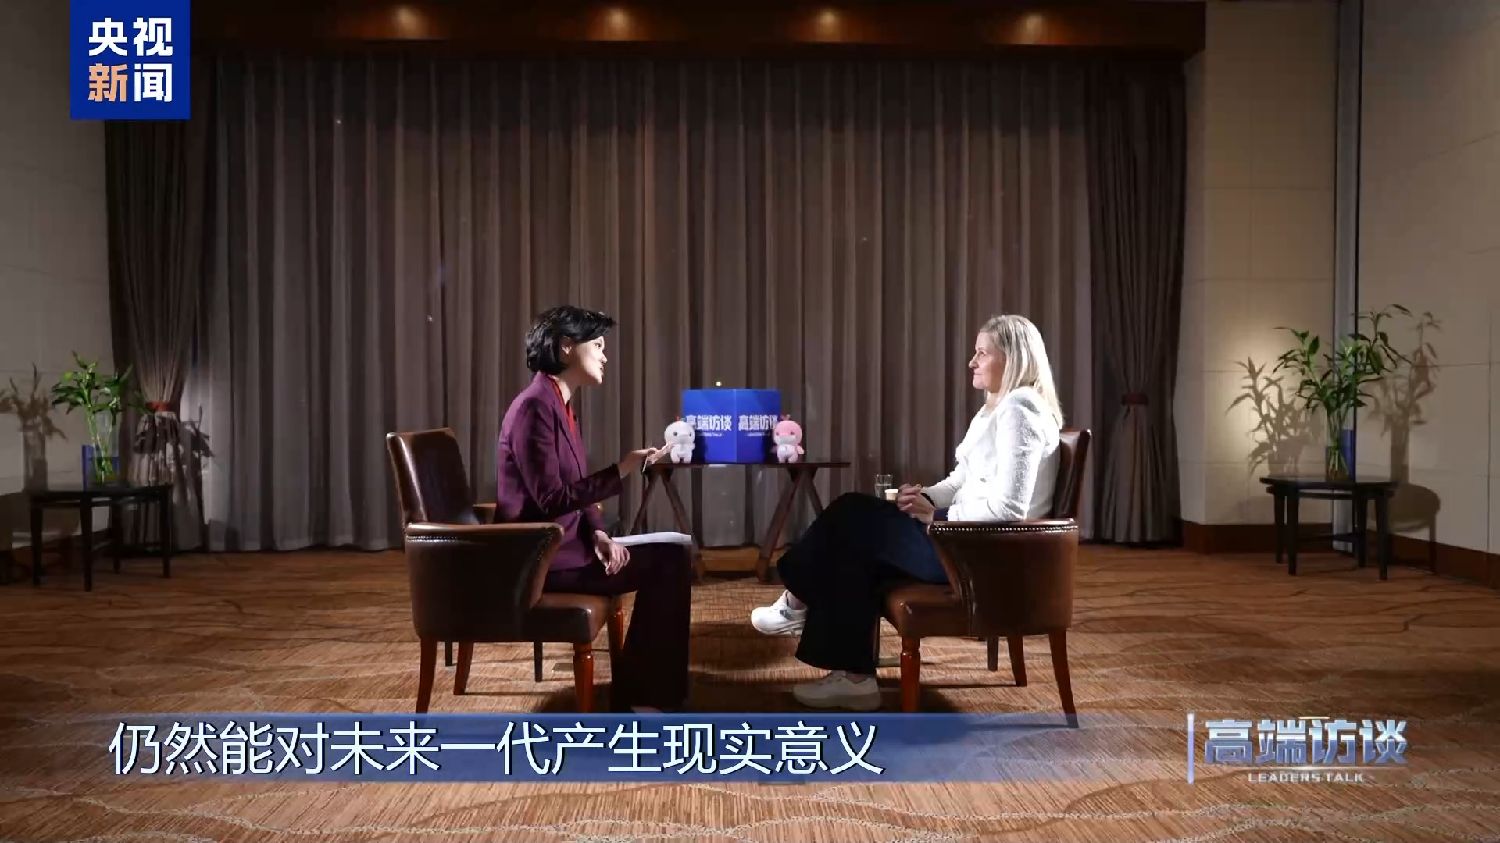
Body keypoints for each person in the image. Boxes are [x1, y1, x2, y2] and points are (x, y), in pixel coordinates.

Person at [750, 314, 1064, 711]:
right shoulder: (995, 409)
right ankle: (854, 679)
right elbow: (961, 480)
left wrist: (937, 517)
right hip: (961, 539)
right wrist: (925, 497)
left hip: (981, 556)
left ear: (1013, 358)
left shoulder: (1021, 408)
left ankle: (797, 599)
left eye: (982, 353)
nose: (972, 362)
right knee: (855, 541)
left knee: (851, 512)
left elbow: (1009, 509)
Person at [496, 305, 687, 713]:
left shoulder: (559, 404)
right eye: (597, 346)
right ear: (567, 347)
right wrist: (623, 468)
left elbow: (574, 488)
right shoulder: (534, 408)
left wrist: (598, 532)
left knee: (675, 551)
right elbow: (551, 500)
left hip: (566, 548)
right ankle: (643, 700)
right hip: (539, 560)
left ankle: (644, 693)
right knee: (669, 561)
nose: (604, 356)